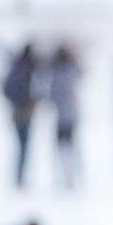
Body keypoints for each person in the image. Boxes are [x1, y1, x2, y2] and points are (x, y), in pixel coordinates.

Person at [43, 40, 84, 189]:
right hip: (72, 115)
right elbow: (82, 73)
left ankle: (63, 175)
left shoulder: (55, 74)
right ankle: (71, 175)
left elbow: (50, 95)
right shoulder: (71, 71)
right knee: (71, 146)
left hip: (61, 116)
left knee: (61, 147)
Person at [2, 40, 43, 189]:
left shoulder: (18, 67)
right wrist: (26, 100)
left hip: (20, 111)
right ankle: (20, 177)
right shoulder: (26, 70)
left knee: (22, 145)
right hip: (23, 111)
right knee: (23, 145)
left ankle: (20, 177)